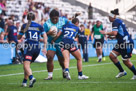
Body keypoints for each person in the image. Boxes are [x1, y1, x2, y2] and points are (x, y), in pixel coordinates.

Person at [100, 9, 136, 80]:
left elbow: (114, 33)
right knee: (112, 56)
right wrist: (113, 37)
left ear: (113, 17)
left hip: (126, 43)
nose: (109, 18)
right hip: (121, 42)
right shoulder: (118, 21)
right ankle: (122, 71)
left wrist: (106, 33)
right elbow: (119, 33)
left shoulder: (115, 22)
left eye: (109, 17)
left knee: (126, 61)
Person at [18, 12, 47, 87]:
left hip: (29, 47)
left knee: (26, 65)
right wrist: (45, 47)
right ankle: (24, 82)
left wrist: (20, 35)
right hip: (37, 48)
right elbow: (45, 37)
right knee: (27, 65)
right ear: (34, 18)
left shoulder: (25, 26)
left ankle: (31, 78)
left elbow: (18, 37)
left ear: (27, 18)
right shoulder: (39, 26)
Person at [43, 9, 67, 80]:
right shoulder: (46, 24)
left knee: (62, 61)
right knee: (50, 57)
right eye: (53, 19)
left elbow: (70, 24)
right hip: (51, 43)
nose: (55, 20)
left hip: (61, 43)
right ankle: (50, 76)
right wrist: (48, 33)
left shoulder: (63, 21)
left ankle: (64, 69)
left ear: (58, 17)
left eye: (56, 18)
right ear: (50, 18)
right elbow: (42, 35)